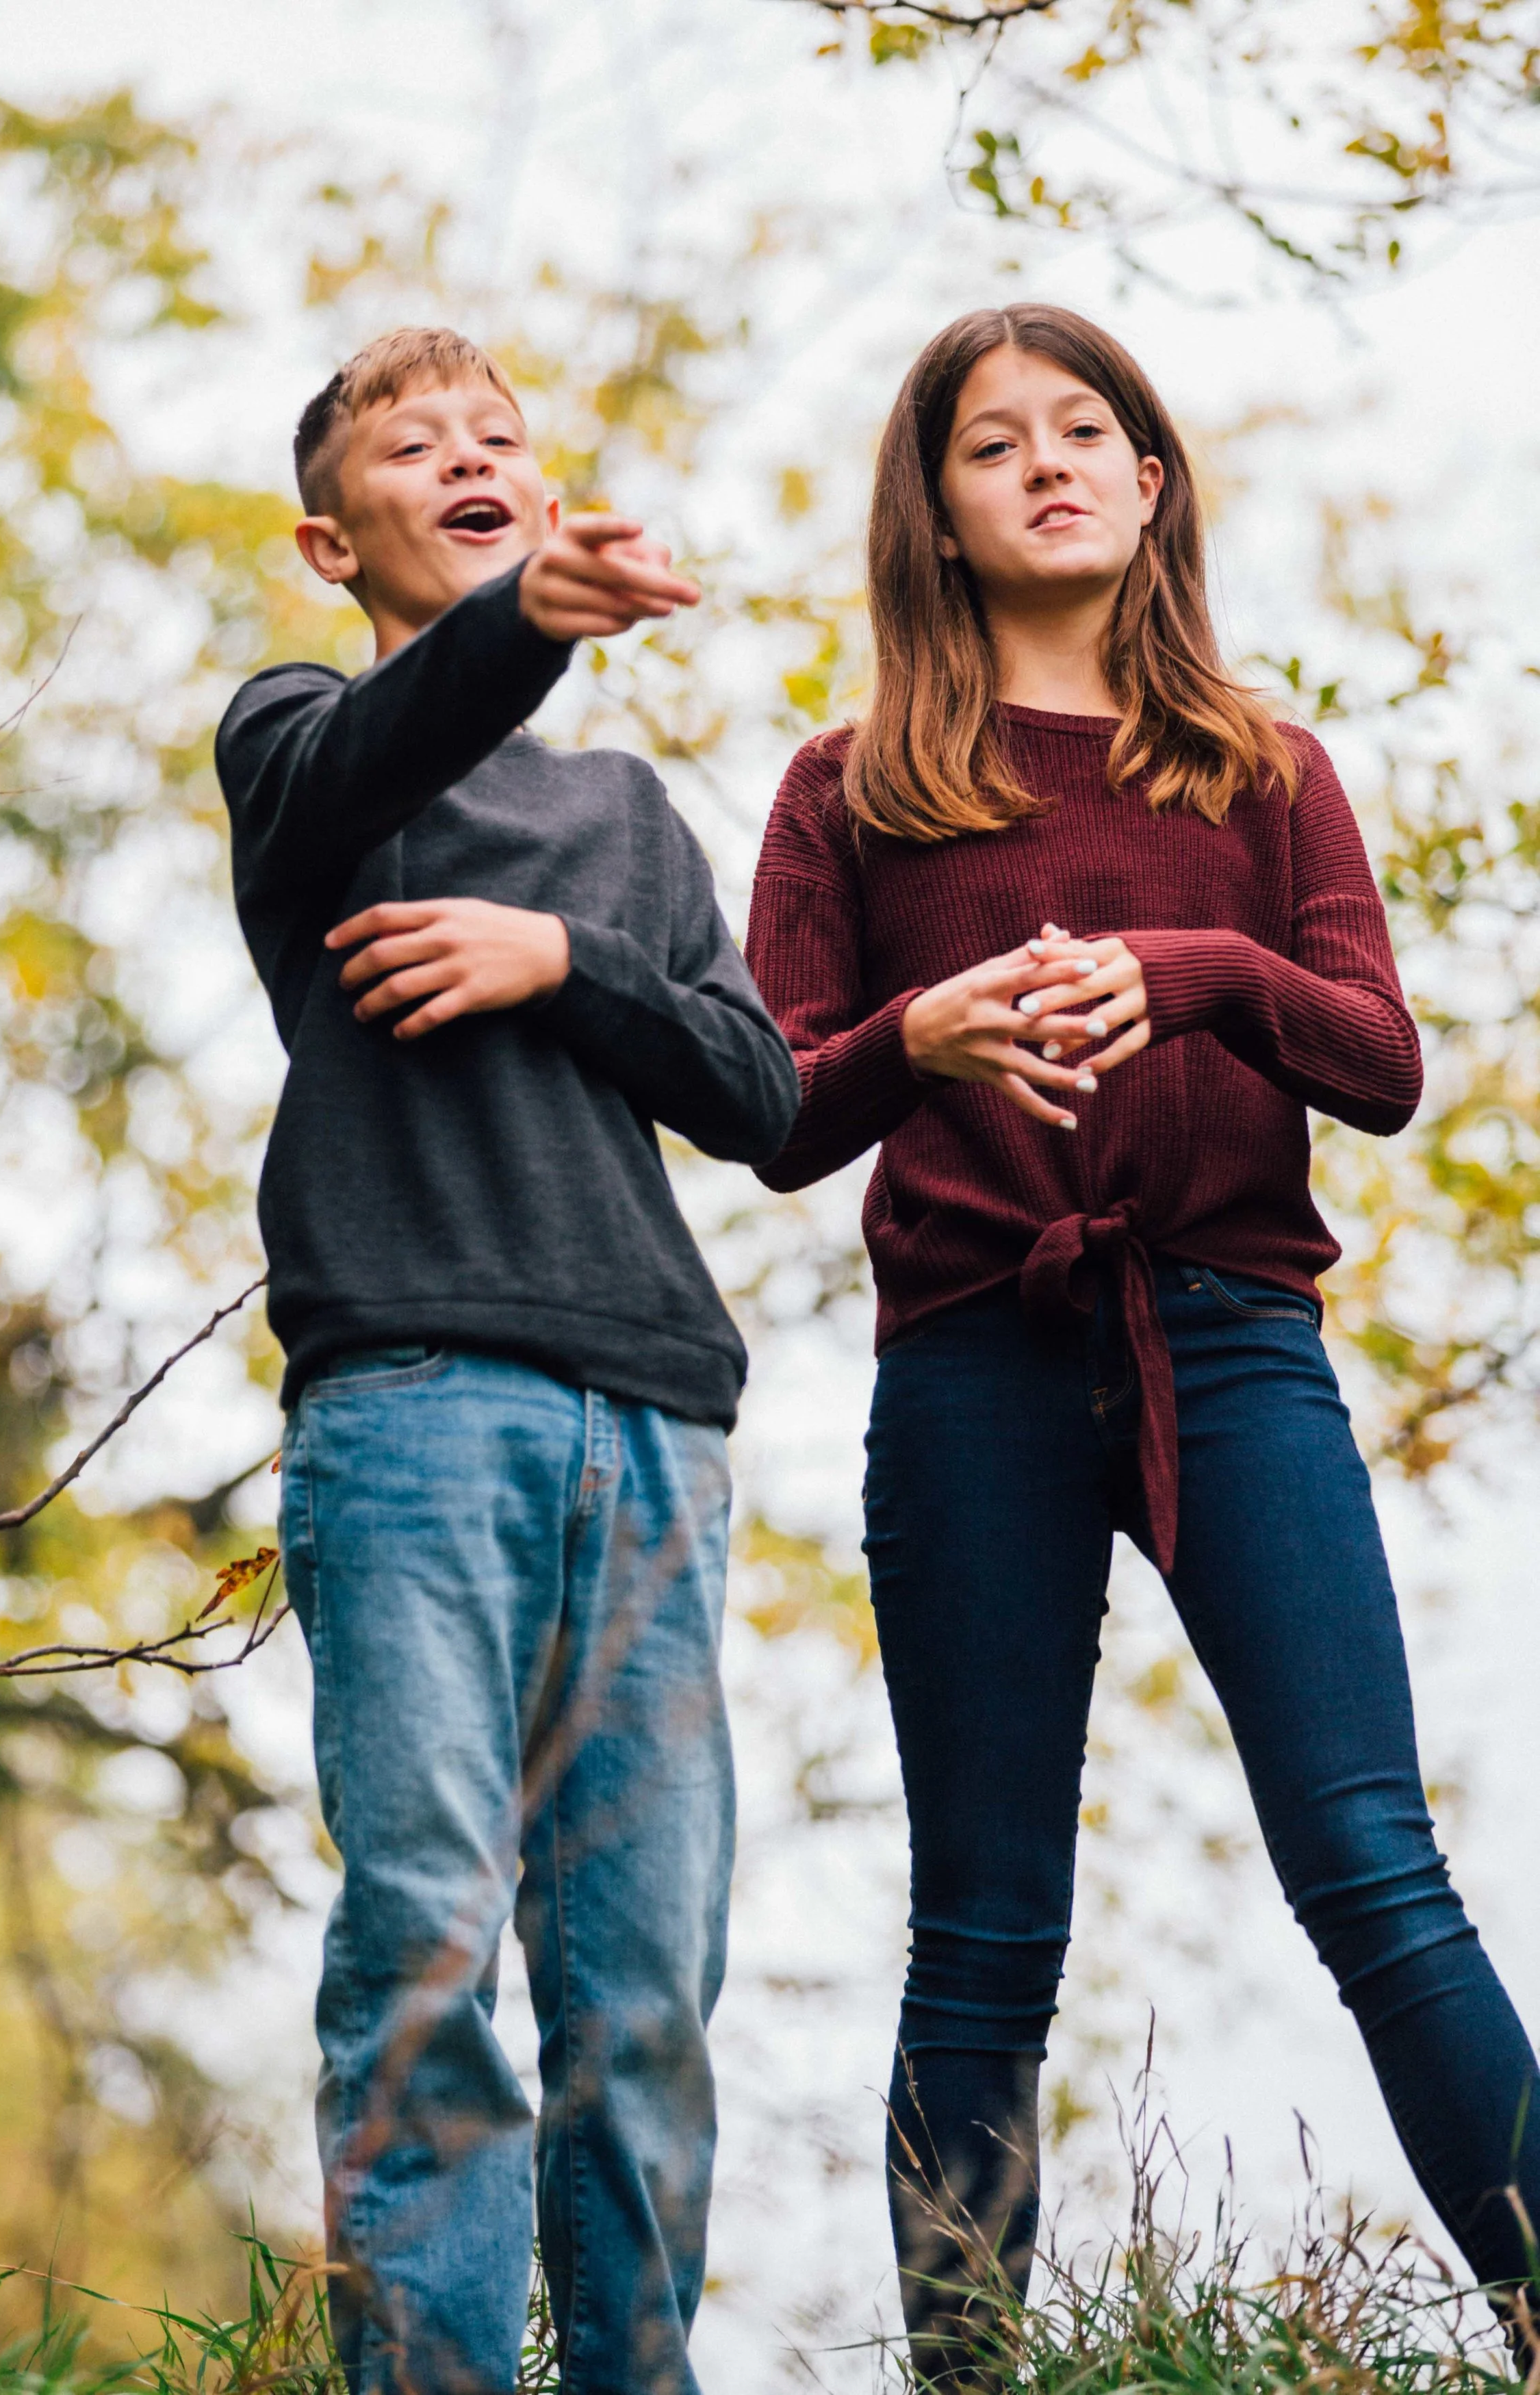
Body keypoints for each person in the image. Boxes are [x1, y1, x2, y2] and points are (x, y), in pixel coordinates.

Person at [744, 302, 1540, 2383]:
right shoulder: (848, 791)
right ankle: (969, 2373)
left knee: (1376, 1873)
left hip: (1234, 1346)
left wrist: (1193, 970)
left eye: (1082, 429)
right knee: (985, 1932)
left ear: (1152, 476)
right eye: (990, 445)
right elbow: (766, 1109)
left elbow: (1377, 1065)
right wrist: (913, 1037)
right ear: (933, 511)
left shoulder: (1263, 772)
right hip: (973, 1371)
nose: (1046, 464)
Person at [215, 325, 799, 2395]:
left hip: (651, 1416)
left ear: (546, 494)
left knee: (642, 1985)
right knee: (429, 1942)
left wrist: (561, 964)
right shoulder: (302, 742)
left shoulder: (628, 818)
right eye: (412, 444)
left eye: (499, 440)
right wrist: (527, 627)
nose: (467, 455)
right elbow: (378, 752)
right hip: (410, 1415)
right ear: (328, 532)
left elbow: (767, 1096)